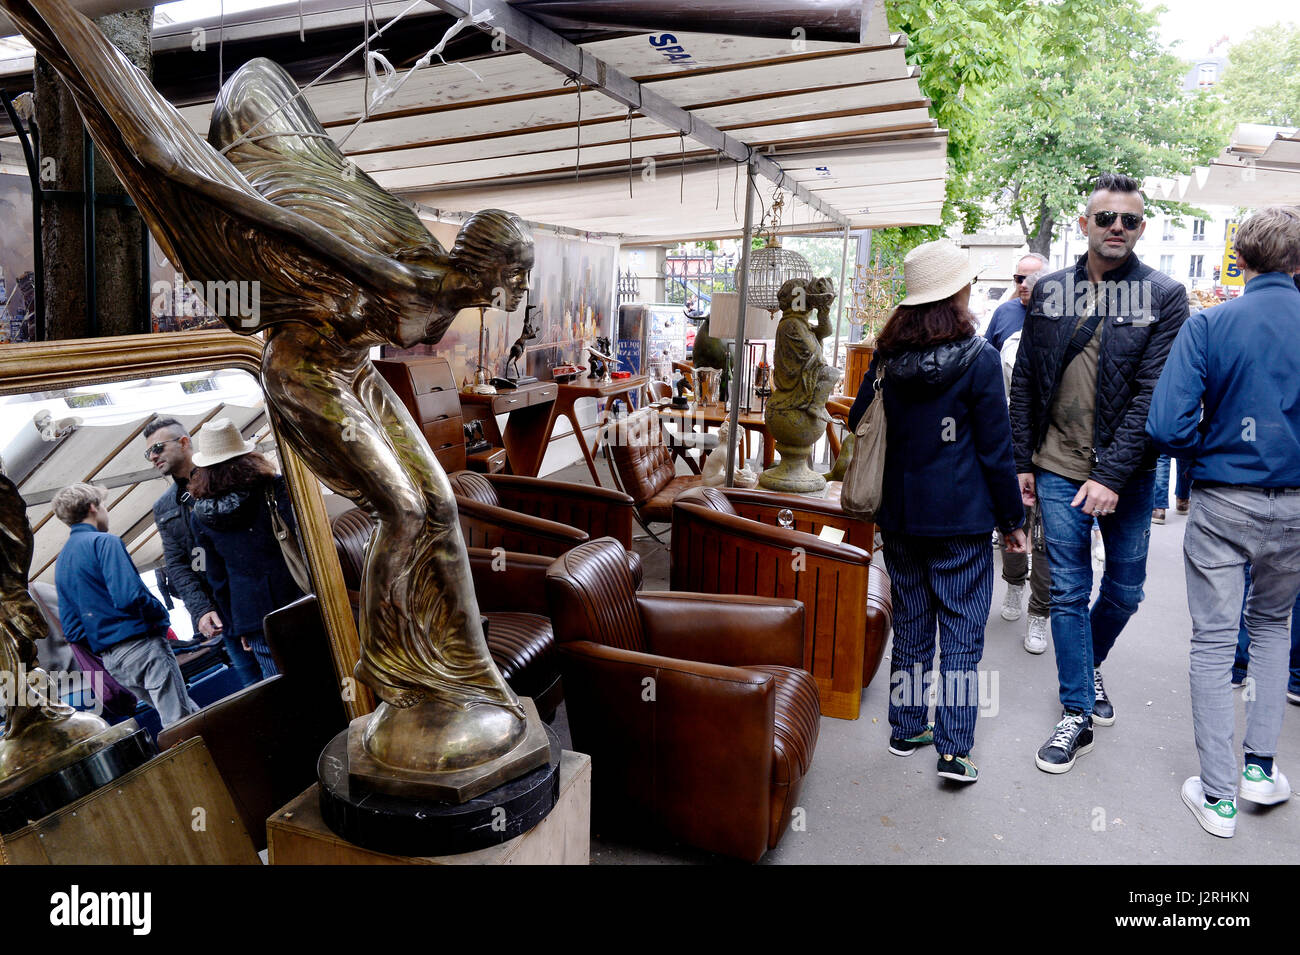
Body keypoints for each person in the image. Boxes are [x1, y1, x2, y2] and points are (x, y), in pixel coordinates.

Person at [1010, 172, 1189, 773]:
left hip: (1128, 476)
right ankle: (1076, 712)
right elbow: (1027, 381)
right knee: (1066, 588)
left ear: (1141, 227)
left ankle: (1087, 668)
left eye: (1130, 220)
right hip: (1057, 466)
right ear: (1084, 224)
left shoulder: (1165, 296)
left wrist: (1111, 476)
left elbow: (1152, 395)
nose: (1117, 228)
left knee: (1126, 591)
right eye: (1106, 218)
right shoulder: (1049, 291)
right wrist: (1020, 463)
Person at [1147, 205, 1300, 837]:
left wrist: (1211, 452)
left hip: (1224, 496)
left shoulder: (1210, 324)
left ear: (1241, 258)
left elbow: (1165, 424)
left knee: (1214, 643)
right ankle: (1259, 770)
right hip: (1296, 504)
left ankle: (1217, 798)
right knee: (1270, 629)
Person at [849, 239, 1025, 785]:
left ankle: (906, 727)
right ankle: (952, 749)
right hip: (962, 521)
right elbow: (997, 452)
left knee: (914, 623)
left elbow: (858, 419)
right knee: (963, 633)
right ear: (959, 292)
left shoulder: (886, 358)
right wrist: (1013, 521)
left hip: (899, 516)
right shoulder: (980, 360)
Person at [52, 483, 198, 727]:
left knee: (187, 714)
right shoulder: (105, 542)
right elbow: (129, 596)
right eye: (104, 505)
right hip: (143, 648)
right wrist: (160, 616)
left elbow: (72, 630)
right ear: (93, 507)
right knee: (182, 723)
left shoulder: (63, 561)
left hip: (114, 663)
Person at [185, 419, 306, 680]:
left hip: (252, 616)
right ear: (247, 455)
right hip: (298, 597)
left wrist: (236, 626)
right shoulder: (275, 488)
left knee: (287, 688)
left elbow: (215, 577)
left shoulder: (199, 515)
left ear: (203, 468)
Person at [145, 416, 260, 688]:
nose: (152, 457)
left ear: (184, 442)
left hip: (257, 597)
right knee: (256, 687)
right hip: (222, 613)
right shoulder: (164, 507)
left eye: (158, 448)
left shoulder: (227, 476)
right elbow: (178, 564)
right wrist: (200, 610)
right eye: (148, 452)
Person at [996, 269, 1054, 653]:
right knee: (1012, 524)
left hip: (1058, 456)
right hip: (1012, 450)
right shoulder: (1010, 340)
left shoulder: (1073, 346)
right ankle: (1015, 583)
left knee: (1049, 538)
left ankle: (1040, 611)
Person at [984, 252, 1049, 352]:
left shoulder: (1058, 314)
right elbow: (988, 354)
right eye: (1019, 279)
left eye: (1031, 279)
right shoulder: (1003, 311)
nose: (1023, 284)